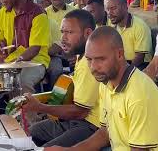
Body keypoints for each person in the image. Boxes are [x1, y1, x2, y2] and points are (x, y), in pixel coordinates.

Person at [45, 26, 158, 151]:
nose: (93, 67)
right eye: (89, 59)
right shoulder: (106, 83)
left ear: (120, 54)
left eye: (100, 59)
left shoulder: (139, 94)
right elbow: (105, 132)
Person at [23, 10, 100, 147]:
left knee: (45, 149)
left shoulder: (90, 64)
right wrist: (34, 99)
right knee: (31, 132)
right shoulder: (79, 56)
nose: (63, 38)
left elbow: (80, 112)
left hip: (91, 126)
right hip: (75, 121)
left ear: (88, 33)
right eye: (62, 32)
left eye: (69, 32)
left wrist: (40, 106)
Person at [0, 0, 50, 92]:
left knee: (22, 81)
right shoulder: (2, 12)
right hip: (10, 60)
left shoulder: (38, 14)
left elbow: (34, 49)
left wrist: (15, 63)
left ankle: (29, 110)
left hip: (36, 61)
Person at [106, 0, 152, 70]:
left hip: (140, 66)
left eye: (113, 8)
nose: (109, 13)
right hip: (121, 63)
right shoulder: (111, 25)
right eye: (108, 9)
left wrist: (122, 72)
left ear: (125, 7)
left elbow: (139, 58)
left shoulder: (139, 26)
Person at [46, 0, 75, 88]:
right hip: (52, 51)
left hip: (70, 49)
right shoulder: (44, 13)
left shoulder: (74, 11)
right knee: (56, 69)